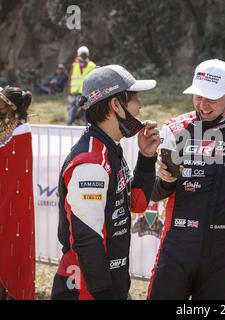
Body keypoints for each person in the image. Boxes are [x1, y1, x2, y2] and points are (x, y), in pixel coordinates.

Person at [147, 59, 225, 300]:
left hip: (222, 249)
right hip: (177, 245)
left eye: (211, 98)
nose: (203, 105)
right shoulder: (174, 130)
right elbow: (153, 193)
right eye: (197, 96)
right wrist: (167, 180)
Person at [51, 65, 160, 300]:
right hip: (87, 290)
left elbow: (138, 204)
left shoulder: (109, 149)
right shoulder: (91, 161)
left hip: (110, 283)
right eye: (135, 99)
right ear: (115, 105)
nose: (140, 106)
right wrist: (106, 293)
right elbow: (87, 240)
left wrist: (147, 158)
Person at [0, 86, 35, 300]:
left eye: (1, 102)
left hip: (13, 204)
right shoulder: (9, 128)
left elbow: (10, 168)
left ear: (11, 107)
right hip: (5, 200)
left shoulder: (21, 133)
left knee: (12, 250)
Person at [67, 46, 96, 126]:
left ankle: (87, 128)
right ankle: (68, 127)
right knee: (72, 111)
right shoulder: (74, 65)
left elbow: (95, 80)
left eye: (85, 54)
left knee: (87, 111)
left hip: (86, 94)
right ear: (79, 55)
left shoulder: (92, 66)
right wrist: (69, 94)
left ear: (88, 55)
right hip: (75, 93)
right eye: (82, 54)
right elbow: (70, 80)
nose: (83, 56)